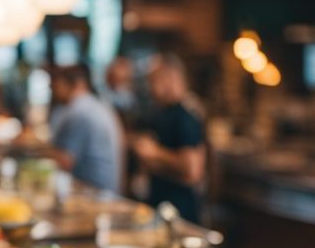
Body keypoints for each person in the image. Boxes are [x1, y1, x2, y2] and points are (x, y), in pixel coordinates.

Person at [132, 53, 206, 223]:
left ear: (170, 79)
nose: (150, 88)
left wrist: (155, 153)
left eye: (154, 81)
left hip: (180, 212)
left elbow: (192, 169)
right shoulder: (162, 113)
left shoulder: (185, 116)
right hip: (160, 206)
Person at [50, 63, 123, 193]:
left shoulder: (79, 111)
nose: (52, 88)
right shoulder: (94, 105)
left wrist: (31, 153)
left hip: (94, 192)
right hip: (109, 189)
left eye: (56, 83)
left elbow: (63, 161)